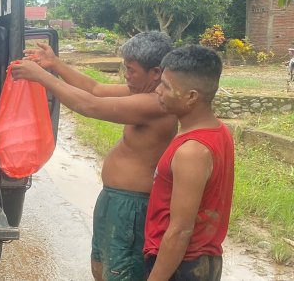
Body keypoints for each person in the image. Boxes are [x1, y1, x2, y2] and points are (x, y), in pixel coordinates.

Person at [12, 31, 178, 281]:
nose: (127, 76)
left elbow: (90, 105)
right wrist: (55, 64)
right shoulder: (142, 92)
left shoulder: (157, 103)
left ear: (155, 73)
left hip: (132, 207)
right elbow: (96, 89)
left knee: (121, 273)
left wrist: (43, 77)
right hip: (116, 201)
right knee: (102, 267)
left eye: (131, 70)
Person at [145, 45, 234, 281]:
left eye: (166, 85)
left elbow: (181, 230)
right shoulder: (218, 130)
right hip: (196, 262)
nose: (157, 90)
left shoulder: (192, 151)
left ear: (191, 97)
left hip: (183, 266)